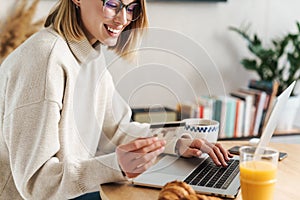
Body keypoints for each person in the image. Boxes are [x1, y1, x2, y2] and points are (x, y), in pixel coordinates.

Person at [0, 0, 232, 199]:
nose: (123, 19)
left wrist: (175, 143)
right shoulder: (45, 59)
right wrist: (114, 166)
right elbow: (36, 182)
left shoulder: (91, 55)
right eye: (112, 3)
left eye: (131, 8)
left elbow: (118, 130)